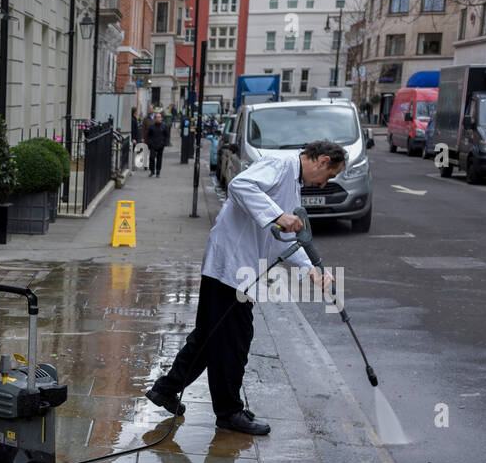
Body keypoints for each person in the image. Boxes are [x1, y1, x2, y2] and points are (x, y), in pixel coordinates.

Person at [144, 140, 345, 435]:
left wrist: (311, 270)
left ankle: (166, 389)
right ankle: (228, 413)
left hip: (236, 267)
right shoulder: (280, 165)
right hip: (231, 266)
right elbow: (240, 186)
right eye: (328, 175)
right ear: (322, 160)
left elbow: (282, 237)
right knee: (234, 340)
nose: (324, 182)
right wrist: (279, 216)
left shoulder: (292, 181)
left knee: (209, 336)